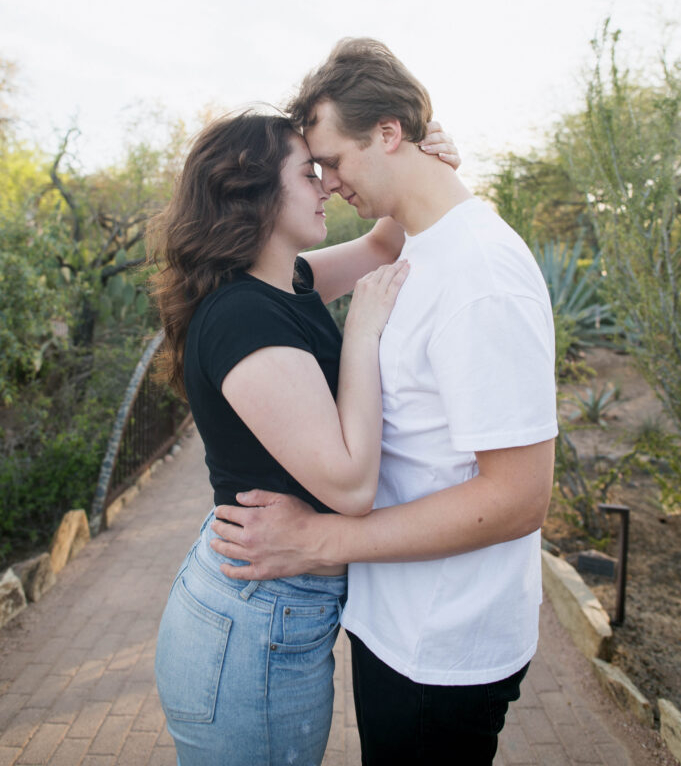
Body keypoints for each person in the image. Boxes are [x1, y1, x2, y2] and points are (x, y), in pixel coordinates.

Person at [210, 39, 559, 766]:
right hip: (396, 623)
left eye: (331, 161)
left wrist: (320, 541)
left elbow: (520, 498)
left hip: (442, 645)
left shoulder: (478, 275)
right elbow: (346, 257)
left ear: (389, 134)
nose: (328, 183)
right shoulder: (420, 251)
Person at [149, 109, 457, 766]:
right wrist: (364, 334)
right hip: (254, 623)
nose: (324, 186)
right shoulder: (239, 316)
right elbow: (349, 485)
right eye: (307, 173)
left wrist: (428, 164)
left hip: (266, 610)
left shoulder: (285, 281)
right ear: (252, 190)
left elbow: (382, 245)